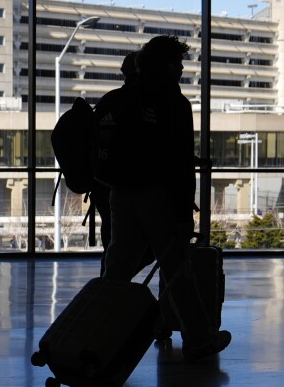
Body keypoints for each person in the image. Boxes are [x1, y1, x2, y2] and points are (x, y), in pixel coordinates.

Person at [97, 35, 232, 362]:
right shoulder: (174, 102)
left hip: (120, 191)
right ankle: (198, 338)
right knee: (176, 267)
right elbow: (180, 163)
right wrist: (185, 214)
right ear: (169, 65)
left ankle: (94, 332)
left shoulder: (117, 98)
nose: (183, 68)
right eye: (180, 62)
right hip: (158, 196)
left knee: (117, 267)